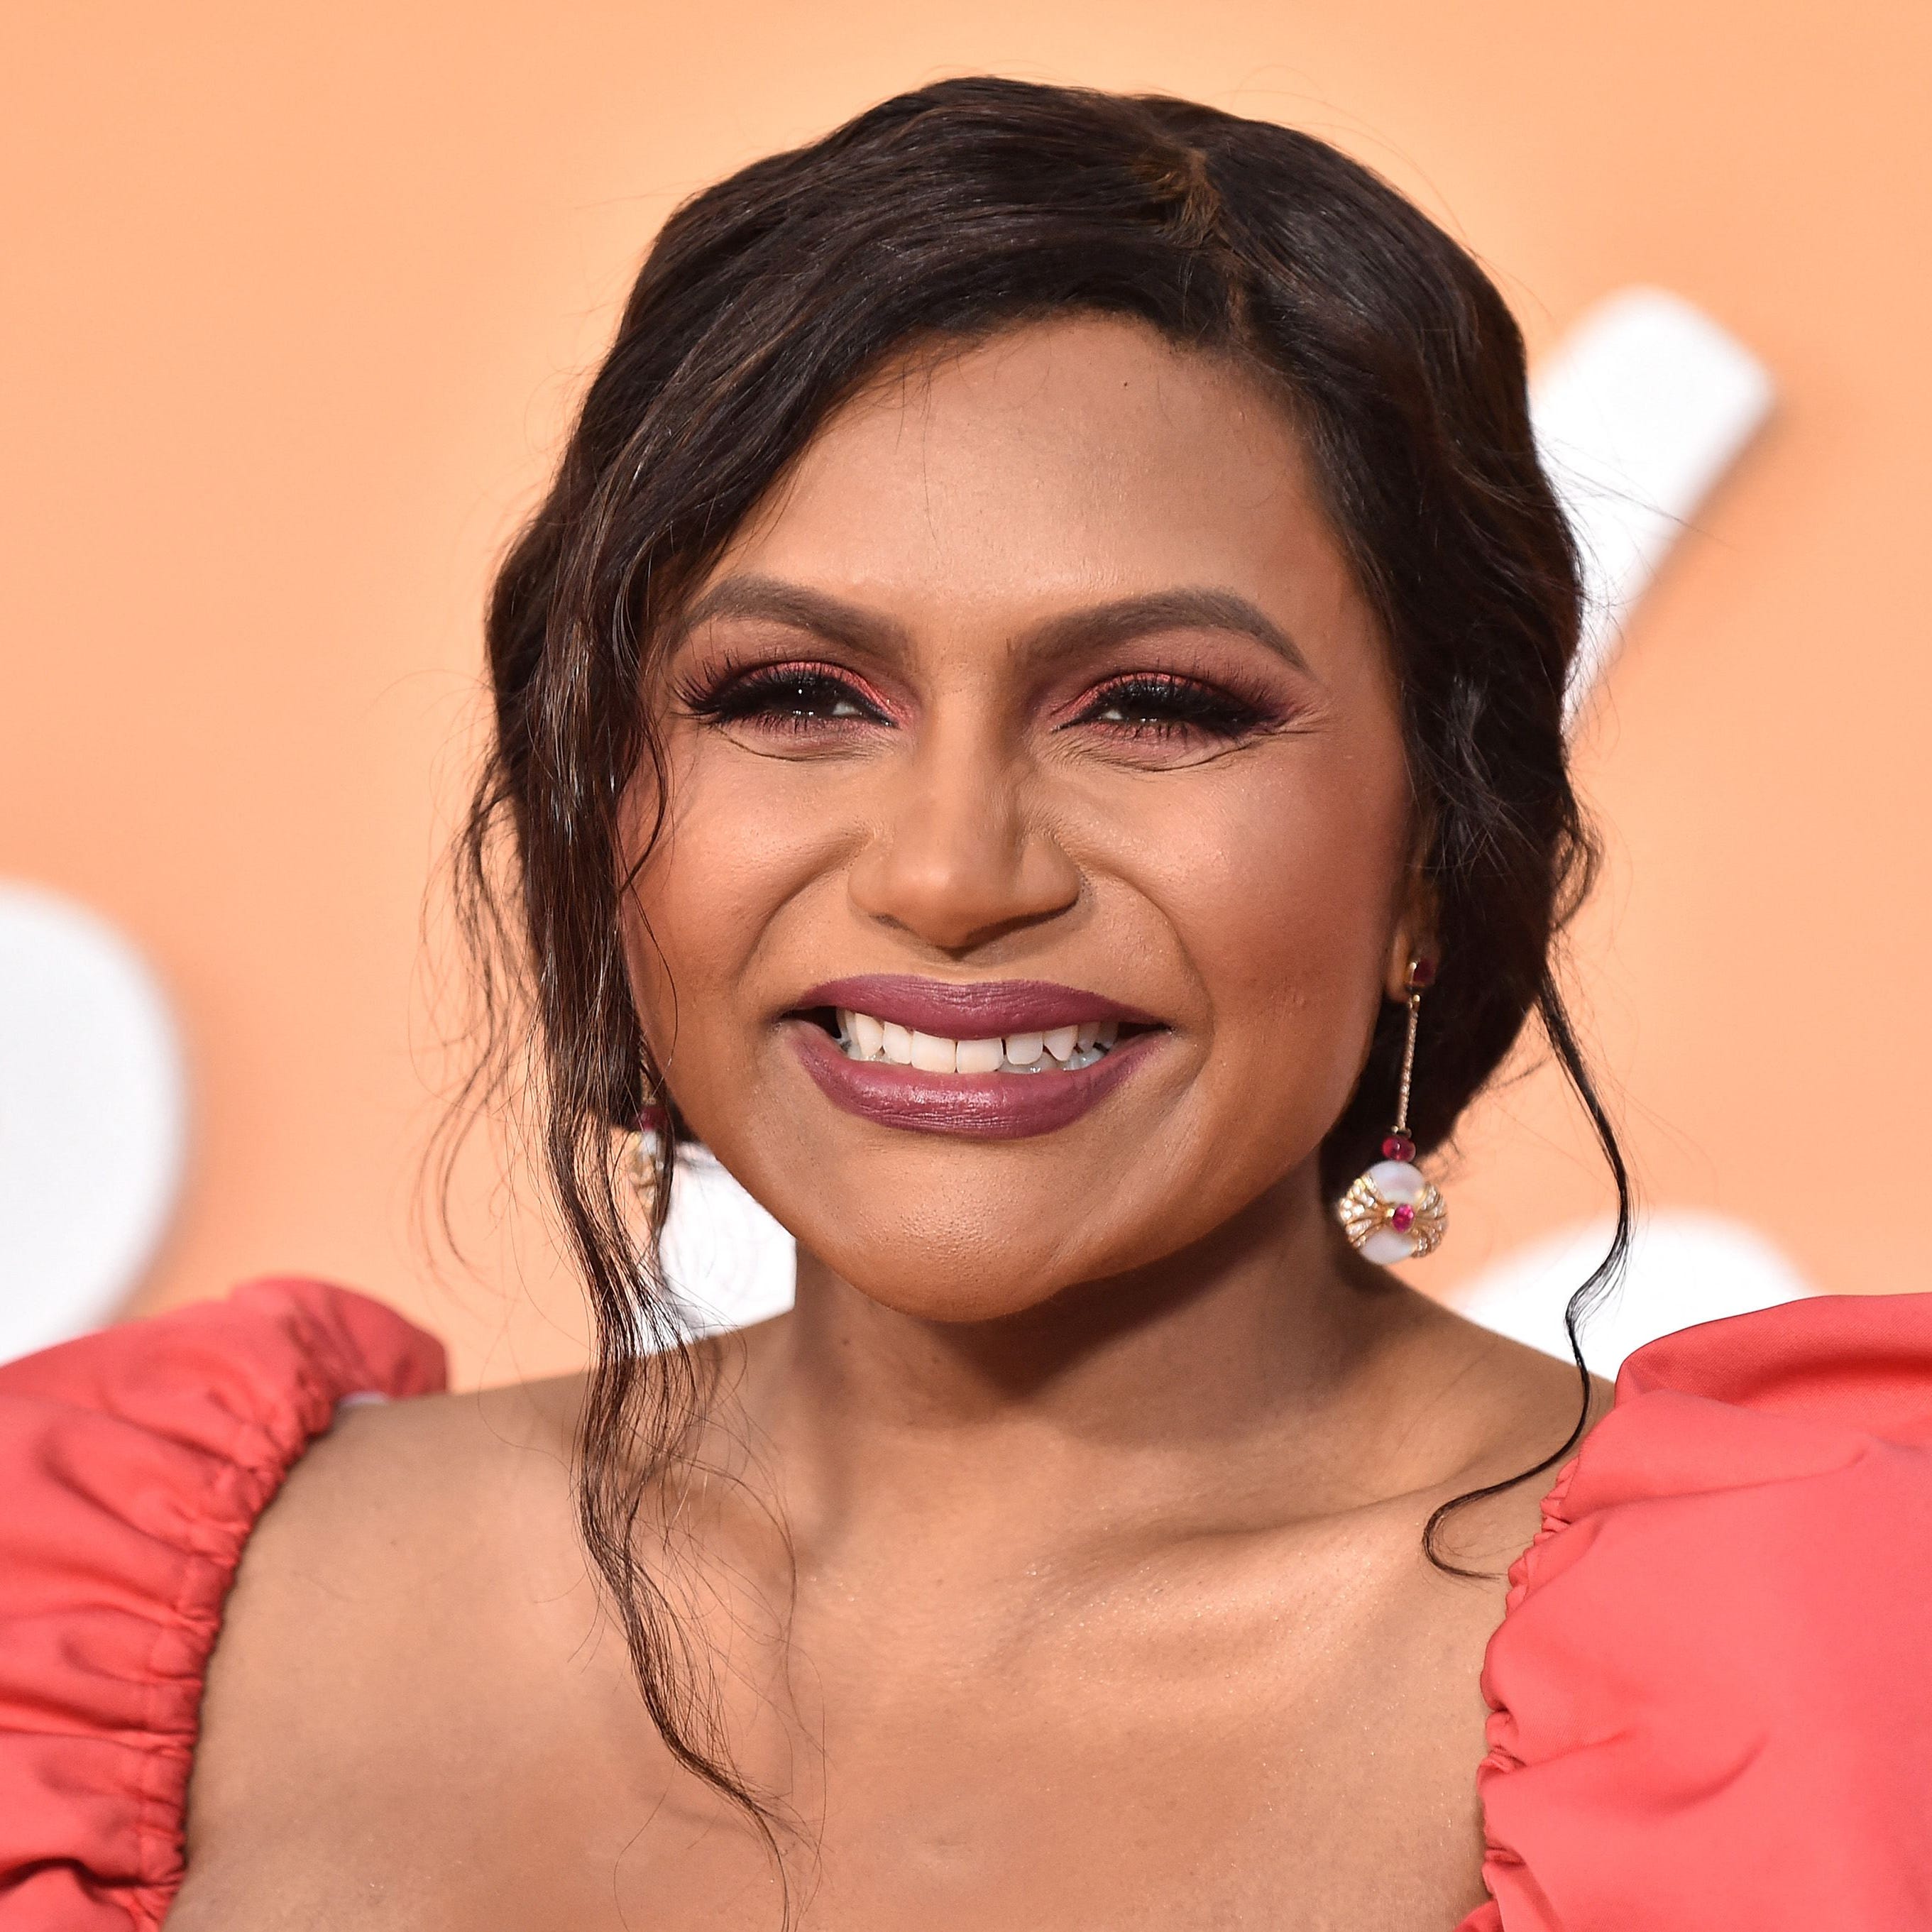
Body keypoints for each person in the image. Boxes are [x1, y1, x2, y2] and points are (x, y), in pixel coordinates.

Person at [3, 77, 1927, 1932]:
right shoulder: (65, 1590)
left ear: (1437, 848)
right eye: (794, 696)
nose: (947, 871)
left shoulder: (1841, 1672)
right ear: (603, 799)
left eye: (1158, 706)